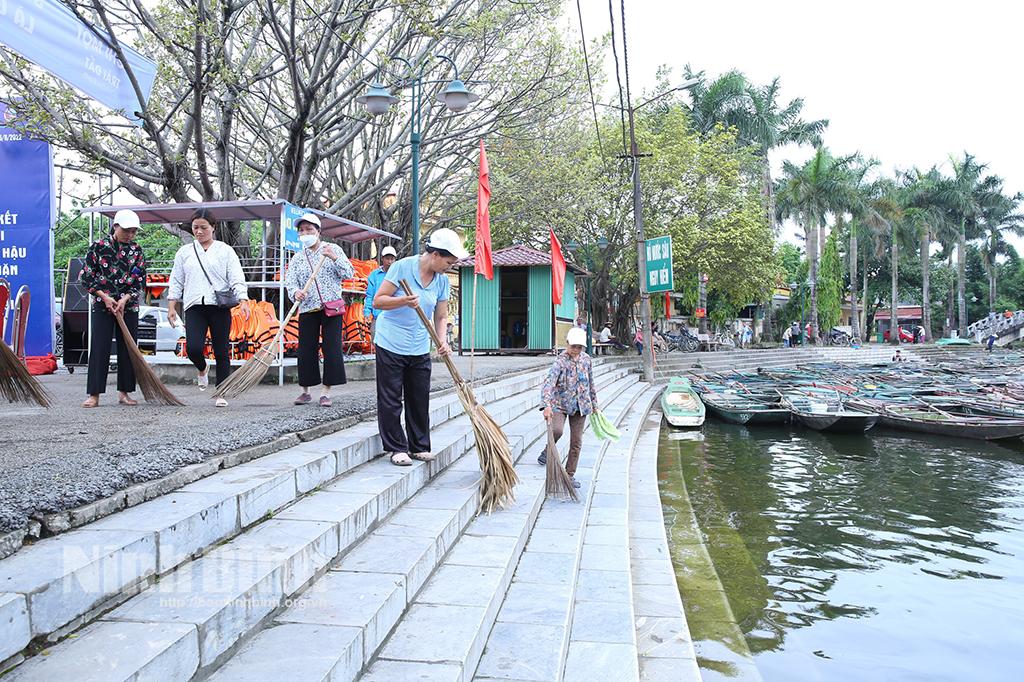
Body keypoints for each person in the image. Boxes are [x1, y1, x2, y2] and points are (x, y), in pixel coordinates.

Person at [372, 229, 466, 466]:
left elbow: (441, 316)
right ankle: (396, 447)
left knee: (419, 396)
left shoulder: (442, 280)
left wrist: (442, 341)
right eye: (448, 261)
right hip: (391, 341)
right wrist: (402, 300)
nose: (449, 267)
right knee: (391, 397)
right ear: (435, 254)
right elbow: (379, 301)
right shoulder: (402, 267)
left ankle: (419, 446)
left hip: (419, 345)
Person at [167, 209, 250, 407]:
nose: (199, 231)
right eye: (196, 227)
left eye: (204, 227)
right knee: (194, 347)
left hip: (219, 306)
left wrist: (243, 299)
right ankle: (202, 368)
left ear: (213, 227)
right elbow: (176, 280)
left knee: (221, 350)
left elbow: (236, 277)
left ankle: (221, 391)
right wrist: (172, 306)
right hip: (194, 306)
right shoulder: (185, 252)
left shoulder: (225, 250)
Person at [284, 213, 355, 407]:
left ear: (318, 231)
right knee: (306, 349)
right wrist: (296, 292)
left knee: (331, 348)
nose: (305, 233)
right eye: (302, 230)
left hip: (331, 308)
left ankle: (326, 392)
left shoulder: (333, 249)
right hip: (308, 308)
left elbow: (348, 273)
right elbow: (290, 282)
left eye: (309, 229)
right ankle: (305, 391)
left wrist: (334, 258)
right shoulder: (298, 258)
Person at [80, 209, 146, 408]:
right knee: (100, 348)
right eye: (127, 230)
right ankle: (94, 394)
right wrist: (105, 297)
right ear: (115, 226)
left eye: (134, 231)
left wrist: (125, 299)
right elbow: (86, 277)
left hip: (128, 306)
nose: (130, 235)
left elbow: (139, 279)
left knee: (128, 348)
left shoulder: (137, 250)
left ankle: (124, 392)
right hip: (103, 305)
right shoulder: (98, 247)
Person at [536, 327, 598, 489]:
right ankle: (548, 449)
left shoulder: (586, 360)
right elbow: (549, 383)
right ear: (568, 344)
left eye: (580, 347)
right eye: (573, 346)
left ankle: (569, 474)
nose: (576, 350)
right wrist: (546, 405)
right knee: (557, 430)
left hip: (581, 406)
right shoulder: (560, 361)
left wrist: (595, 404)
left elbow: (591, 382)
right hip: (560, 404)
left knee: (576, 442)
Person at [364, 245, 398, 333]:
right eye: (387, 258)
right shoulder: (374, 275)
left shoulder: (399, 275)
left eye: (392, 259)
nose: (390, 262)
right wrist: (367, 312)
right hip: (377, 317)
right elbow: (369, 295)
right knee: (375, 343)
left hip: (394, 318)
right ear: (382, 258)